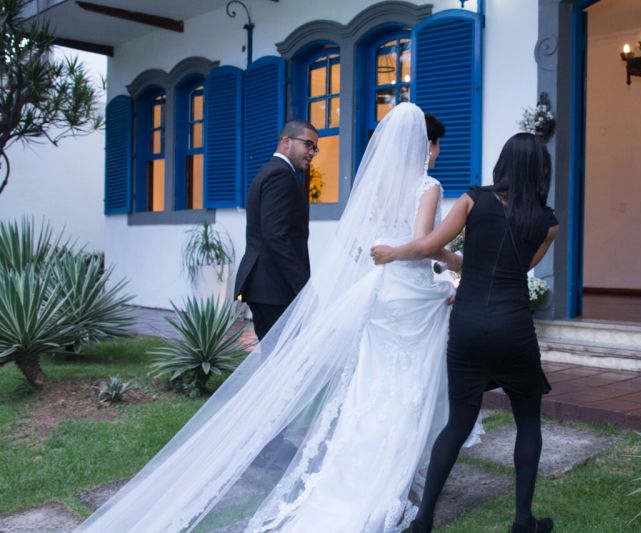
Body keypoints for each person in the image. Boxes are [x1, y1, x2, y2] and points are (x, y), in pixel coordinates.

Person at [76, 103, 469, 533]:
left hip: (377, 293)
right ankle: (275, 445)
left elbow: (355, 240)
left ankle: (317, 455)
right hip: (331, 289)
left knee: (364, 382)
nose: (313, 153)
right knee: (308, 373)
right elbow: (287, 239)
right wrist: (309, 291)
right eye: (309, 145)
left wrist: (377, 261)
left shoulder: (367, 186)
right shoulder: (409, 186)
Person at [371, 132, 559, 533]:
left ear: (503, 164)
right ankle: (523, 522)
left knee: (457, 422)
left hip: (469, 324)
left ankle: (423, 521)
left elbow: (428, 246)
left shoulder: (474, 200)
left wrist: (392, 253)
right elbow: (517, 268)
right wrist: (467, 265)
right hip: (513, 328)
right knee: (528, 423)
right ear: (542, 171)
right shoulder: (549, 224)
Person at [234, 120, 319, 340]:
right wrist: (304, 287)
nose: (312, 152)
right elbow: (275, 236)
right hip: (274, 288)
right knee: (284, 356)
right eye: (308, 144)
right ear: (286, 142)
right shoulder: (280, 175)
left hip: (268, 287)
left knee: (276, 357)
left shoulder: (270, 171)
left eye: (315, 148)